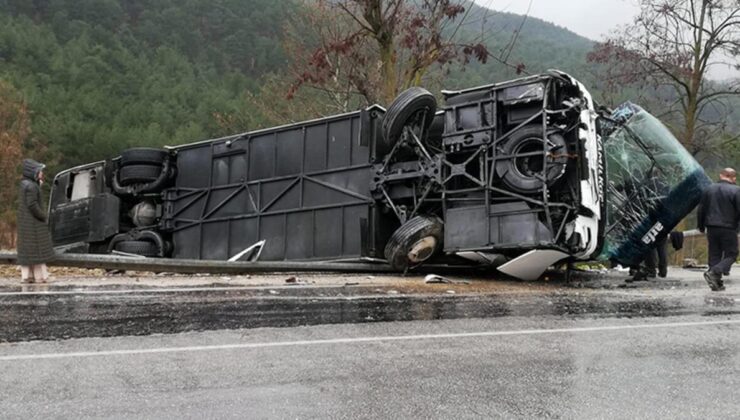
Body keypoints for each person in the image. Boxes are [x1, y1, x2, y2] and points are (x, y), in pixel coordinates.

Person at [697, 168, 740, 291]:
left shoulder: (709, 189)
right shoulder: (736, 191)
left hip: (711, 227)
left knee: (714, 254)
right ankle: (715, 272)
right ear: (734, 178)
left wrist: (701, 225)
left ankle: (716, 282)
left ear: (721, 175)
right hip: (728, 227)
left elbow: (701, 209)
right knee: (732, 254)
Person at [16, 159, 55, 283]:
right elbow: (33, 204)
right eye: (40, 171)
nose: (41, 173)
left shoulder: (25, 184)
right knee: (38, 252)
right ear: (33, 172)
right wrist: (43, 216)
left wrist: (38, 186)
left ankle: (27, 277)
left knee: (28, 252)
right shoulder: (31, 186)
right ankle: (41, 277)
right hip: (33, 224)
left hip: (25, 223)